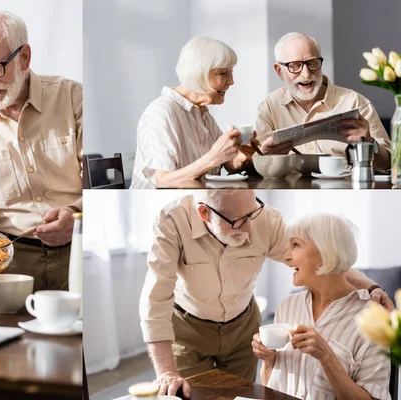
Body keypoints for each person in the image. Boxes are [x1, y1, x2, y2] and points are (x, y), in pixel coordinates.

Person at [139, 190, 392, 398]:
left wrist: (371, 287)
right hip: (189, 328)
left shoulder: (265, 220)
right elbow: (155, 300)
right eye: (238, 221)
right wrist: (166, 373)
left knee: (238, 394)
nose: (249, 227)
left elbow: (331, 257)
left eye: (251, 215)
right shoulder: (171, 223)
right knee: (189, 394)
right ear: (205, 213)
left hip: (242, 325)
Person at [0, 10, 83, 291]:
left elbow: (108, 184)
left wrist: (79, 214)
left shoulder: (74, 99)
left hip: (82, 246)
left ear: (24, 57)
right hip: (10, 260)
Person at [252, 214, 390, 400]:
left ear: (326, 252)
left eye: (295, 245)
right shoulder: (287, 306)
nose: (286, 256)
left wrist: (326, 356)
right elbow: (272, 389)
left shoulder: (372, 318)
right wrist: (269, 361)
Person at [131, 37, 256, 189]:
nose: (231, 81)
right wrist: (213, 157)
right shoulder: (161, 112)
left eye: (231, 72)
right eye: (223, 73)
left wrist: (241, 156)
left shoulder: (203, 114)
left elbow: (228, 165)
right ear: (198, 74)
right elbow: (163, 180)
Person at [256, 32, 391, 171]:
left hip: (346, 190)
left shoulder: (355, 102)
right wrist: (264, 157)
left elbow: (389, 164)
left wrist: (370, 143)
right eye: (295, 66)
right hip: (289, 191)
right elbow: (255, 166)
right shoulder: (269, 107)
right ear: (279, 71)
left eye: (312, 63)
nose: (306, 74)